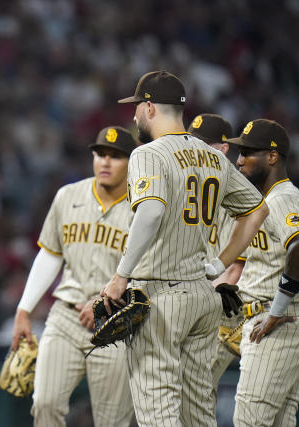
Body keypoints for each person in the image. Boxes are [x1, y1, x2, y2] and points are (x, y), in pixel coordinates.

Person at [100, 71, 269, 426]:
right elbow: (257, 210)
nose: (133, 116)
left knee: (157, 410)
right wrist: (218, 264)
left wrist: (120, 276)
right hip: (203, 295)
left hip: (160, 294)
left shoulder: (148, 153)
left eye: (136, 108)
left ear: (149, 107)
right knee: (198, 414)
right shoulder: (215, 159)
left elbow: (150, 211)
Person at [11, 126, 137, 427]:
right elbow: (51, 254)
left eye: (115, 157)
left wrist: (108, 301)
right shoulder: (68, 196)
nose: (105, 162)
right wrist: (24, 309)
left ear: (131, 162)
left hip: (115, 323)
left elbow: (150, 273)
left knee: (112, 421)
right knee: (44, 404)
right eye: (100, 154)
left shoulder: (143, 207)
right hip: (66, 317)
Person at [226, 119, 299, 427]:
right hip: (276, 321)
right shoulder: (265, 201)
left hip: (279, 323)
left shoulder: (284, 197)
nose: (239, 160)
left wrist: (275, 312)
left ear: (272, 157)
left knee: (249, 422)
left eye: (248, 152)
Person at [188, 114, 245, 404]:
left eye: (201, 145)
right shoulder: (191, 190)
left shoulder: (236, 196)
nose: (192, 152)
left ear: (222, 150)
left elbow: (235, 269)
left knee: (193, 396)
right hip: (193, 310)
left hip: (220, 316)